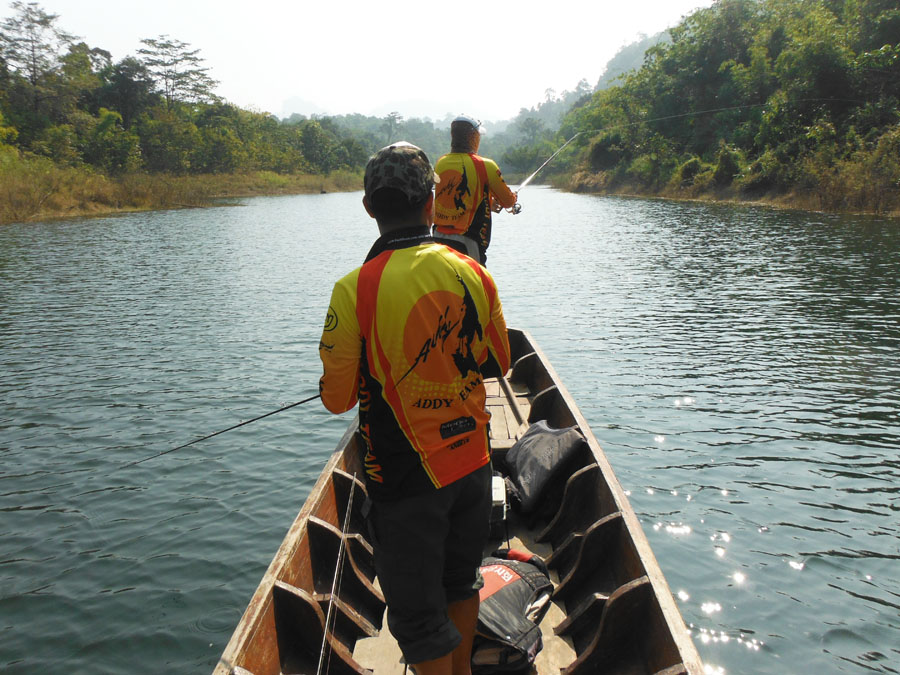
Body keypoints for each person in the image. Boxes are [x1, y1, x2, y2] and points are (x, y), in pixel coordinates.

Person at [318, 141, 511, 674]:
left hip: (405, 480)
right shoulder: (473, 271)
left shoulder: (352, 289)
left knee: (418, 616)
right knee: (460, 582)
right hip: (472, 462)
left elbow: (336, 400)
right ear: (431, 201)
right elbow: (500, 361)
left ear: (368, 207)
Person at [433, 115, 519, 266]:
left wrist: (488, 202)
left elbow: (451, 196)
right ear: (474, 137)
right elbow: (508, 202)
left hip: (438, 239)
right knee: (475, 286)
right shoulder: (485, 165)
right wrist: (513, 197)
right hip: (467, 242)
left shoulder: (441, 163)